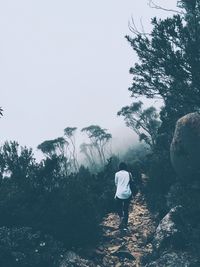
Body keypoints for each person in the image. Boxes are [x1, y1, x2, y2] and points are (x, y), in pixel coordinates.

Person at [114, 162, 133, 230]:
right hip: (127, 193)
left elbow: (116, 184)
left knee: (119, 207)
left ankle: (121, 217)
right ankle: (125, 225)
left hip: (119, 194)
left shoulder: (116, 174)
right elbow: (131, 183)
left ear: (119, 167)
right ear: (126, 167)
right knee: (126, 209)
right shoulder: (129, 173)